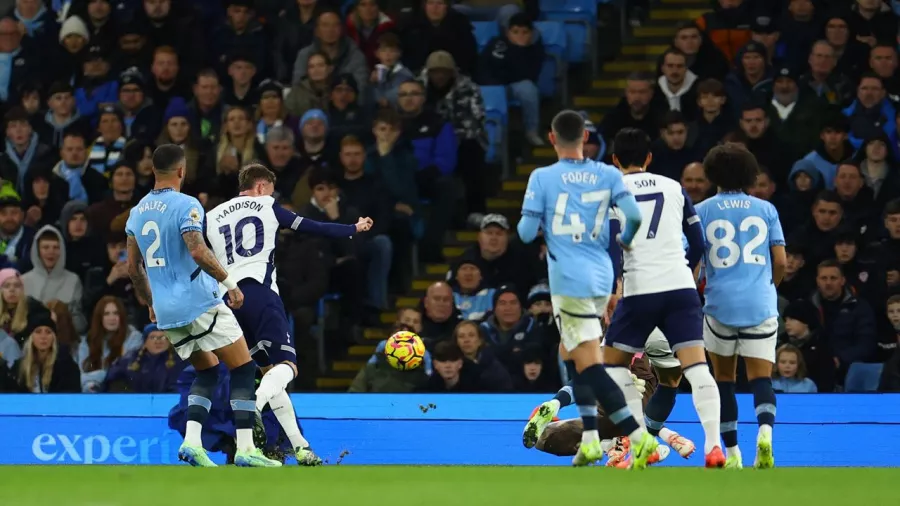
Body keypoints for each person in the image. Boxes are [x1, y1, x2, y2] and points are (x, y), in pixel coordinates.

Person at [206, 163, 373, 466]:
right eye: (270, 188)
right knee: (288, 366)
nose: (272, 194)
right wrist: (353, 228)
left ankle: (301, 447)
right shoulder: (268, 205)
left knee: (269, 373)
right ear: (260, 187)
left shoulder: (212, 216)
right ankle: (254, 406)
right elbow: (313, 226)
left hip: (229, 301)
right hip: (260, 293)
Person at [124, 144, 280, 468]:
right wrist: (230, 283)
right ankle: (248, 449)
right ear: (182, 170)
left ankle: (192, 443)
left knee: (207, 369)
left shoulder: (137, 212)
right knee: (244, 367)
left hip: (166, 312)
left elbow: (132, 267)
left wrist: (151, 303)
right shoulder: (186, 205)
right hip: (198, 301)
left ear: (154, 171)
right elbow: (197, 251)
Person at [516, 110, 657, 468]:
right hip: (603, 278)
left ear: (551, 138)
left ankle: (637, 438)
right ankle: (595, 439)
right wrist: (617, 274)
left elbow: (524, 233)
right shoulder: (608, 174)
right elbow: (632, 221)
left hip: (569, 281)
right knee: (582, 361)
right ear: (586, 139)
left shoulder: (542, 177)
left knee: (585, 363)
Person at [602, 128, 724, 467]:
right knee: (697, 368)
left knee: (612, 366)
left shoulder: (612, 192)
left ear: (614, 160)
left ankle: (643, 441)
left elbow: (614, 244)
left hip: (640, 290)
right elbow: (698, 243)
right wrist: (684, 270)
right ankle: (714, 446)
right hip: (680, 288)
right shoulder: (674, 187)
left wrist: (613, 290)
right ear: (649, 158)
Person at [694, 143, 787, 470]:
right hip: (760, 302)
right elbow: (780, 260)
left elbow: (693, 262)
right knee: (762, 378)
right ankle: (765, 434)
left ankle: (732, 453)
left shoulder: (702, 210)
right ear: (750, 173)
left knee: (725, 381)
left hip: (719, 304)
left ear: (711, 174)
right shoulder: (766, 209)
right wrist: (768, 288)